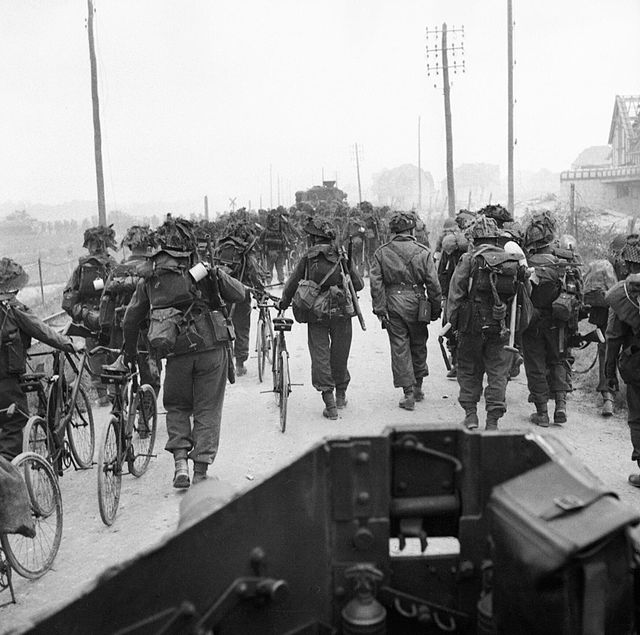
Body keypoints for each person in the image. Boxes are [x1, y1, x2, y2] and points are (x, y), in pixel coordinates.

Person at [123, 217, 246, 489]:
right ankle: (200, 470)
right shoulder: (203, 270)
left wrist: (129, 353)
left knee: (177, 406)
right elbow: (239, 295)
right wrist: (215, 274)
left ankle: (180, 463)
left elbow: (130, 319)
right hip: (211, 348)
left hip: (175, 351)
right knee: (208, 408)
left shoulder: (152, 279)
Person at [279, 216, 364, 419]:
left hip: (315, 313)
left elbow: (291, 284)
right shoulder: (341, 255)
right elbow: (358, 284)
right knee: (340, 352)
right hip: (342, 311)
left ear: (313, 239)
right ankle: (341, 394)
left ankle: (330, 403)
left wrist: (283, 304)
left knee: (320, 356)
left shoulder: (308, 258)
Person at [0, 258, 83, 460]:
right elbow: (43, 332)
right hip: (6, 379)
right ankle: (8, 481)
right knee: (14, 424)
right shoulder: (12, 308)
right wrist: (72, 345)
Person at [446, 216, 523, 430]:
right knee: (498, 373)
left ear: (475, 238)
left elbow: (455, 294)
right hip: (501, 327)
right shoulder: (510, 260)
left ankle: (471, 416)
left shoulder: (469, 259)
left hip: (471, 326)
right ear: (495, 237)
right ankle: (492, 421)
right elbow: (522, 298)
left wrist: (453, 326)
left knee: (469, 369)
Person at [370, 212, 442, 410]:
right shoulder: (423, 251)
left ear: (393, 231)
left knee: (400, 347)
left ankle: (408, 394)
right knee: (419, 343)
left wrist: (380, 308)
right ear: (411, 230)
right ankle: (418, 387)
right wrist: (435, 308)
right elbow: (433, 284)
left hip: (393, 303)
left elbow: (376, 284)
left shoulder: (381, 252)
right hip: (419, 303)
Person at [521, 212, 575, 426]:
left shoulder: (525, 264)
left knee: (535, 364)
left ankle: (542, 413)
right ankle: (561, 405)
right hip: (558, 323)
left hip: (532, 322)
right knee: (558, 360)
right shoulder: (563, 264)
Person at [100, 225, 161, 395]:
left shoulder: (118, 270)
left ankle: (118, 412)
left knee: (119, 375)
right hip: (148, 330)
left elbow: (105, 301)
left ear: (129, 246)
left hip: (120, 331)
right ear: (149, 245)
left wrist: (105, 329)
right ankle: (144, 417)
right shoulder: (154, 269)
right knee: (150, 375)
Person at [62, 225, 118, 406]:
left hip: (94, 319)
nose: (97, 247)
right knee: (110, 356)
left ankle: (106, 396)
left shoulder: (85, 268)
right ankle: (113, 396)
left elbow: (68, 298)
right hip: (108, 320)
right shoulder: (108, 265)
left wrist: (82, 314)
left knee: (98, 356)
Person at [213, 222, 266, 377]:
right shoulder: (245, 251)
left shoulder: (220, 248)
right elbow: (254, 273)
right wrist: (260, 290)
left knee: (224, 327)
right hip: (240, 295)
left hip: (222, 294)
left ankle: (226, 361)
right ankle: (239, 364)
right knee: (242, 328)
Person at [604, 272, 640, 486]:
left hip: (637, 365)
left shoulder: (625, 295)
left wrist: (610, 374)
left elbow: (614, 337)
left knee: (637, 417)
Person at [435, 217, 469, 378]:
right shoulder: (468, 253)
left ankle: (457, 363)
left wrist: (442, 296)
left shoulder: (449, 254)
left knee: (450, 326)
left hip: (452, 297)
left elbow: (440, 274)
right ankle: (461, 363)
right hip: (466, 297)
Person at [260, 209, 289, 284]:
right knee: (280, 268)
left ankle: (269, 282)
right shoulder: (280, 232)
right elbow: (285, 242)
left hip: (270, 253)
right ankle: (281, 280)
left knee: (269, 268)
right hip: (279, 252)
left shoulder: (266, 231)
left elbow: (261, 240)